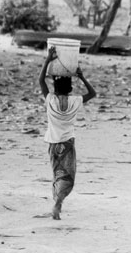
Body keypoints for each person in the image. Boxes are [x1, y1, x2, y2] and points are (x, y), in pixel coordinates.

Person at [39, 46, 96, 220]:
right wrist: (81, 77)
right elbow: (92, 93)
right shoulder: (75, 101)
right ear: (69, 89)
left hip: (53, 142)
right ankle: (58, 202)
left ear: (54, 88)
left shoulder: (50, 100)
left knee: (56, 173)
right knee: (68, 176)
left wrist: (48, 60)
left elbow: (41, 80)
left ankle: (57, 202)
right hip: (68, 143)